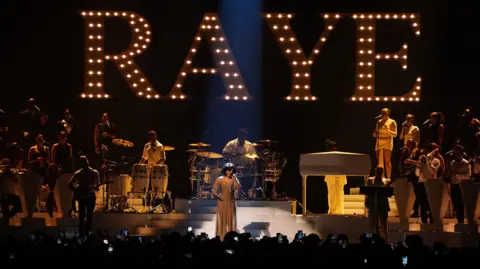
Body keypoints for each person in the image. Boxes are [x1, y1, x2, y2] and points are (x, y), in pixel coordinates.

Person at [68, 156, 101, 237]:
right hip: (83, 196)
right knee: (83, 216)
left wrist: (95, 187)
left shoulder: (94, 172)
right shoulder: (78, 173)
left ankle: (86, 234)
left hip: (89, 196)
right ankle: (83, 234)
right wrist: (77, 190)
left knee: (88, 216)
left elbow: (97, 187)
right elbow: (70, 185)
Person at [212, 163, 242, 239]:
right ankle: (222, 237)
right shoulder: (220, 179)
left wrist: (235, 179)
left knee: (231, 220)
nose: (231, 172)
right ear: (225, 170)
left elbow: (239, 188)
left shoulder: (233, 179)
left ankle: (231, 237)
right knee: (222, 220)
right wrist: (217, 196)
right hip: (222, 202)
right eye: (229, 170)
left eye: (232, 170)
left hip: (231, 202)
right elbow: (214, 190)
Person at [27, 134, 52, 218]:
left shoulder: (46, 149)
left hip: (44, 170)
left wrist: (44, 161)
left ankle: (44, 206)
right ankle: (35, 206)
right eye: (38, 139)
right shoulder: (32, 149)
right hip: (35, 170)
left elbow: (49, 160)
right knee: (36, 188)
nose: (40, 141)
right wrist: (36, 160)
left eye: (41, 139)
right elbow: (29, 161)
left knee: (45, 188)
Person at [139, 131, 167, 207]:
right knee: (146, 186)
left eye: (152, 136)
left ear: (155, 137)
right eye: (149, 137)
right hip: (148, 169)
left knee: (155, 188)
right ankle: (146, 204)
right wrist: (139, 166)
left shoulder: (160, 146)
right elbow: (144, 157)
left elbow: (163, 159)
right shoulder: (147, 145)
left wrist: (155, 167)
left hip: (157, 170)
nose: (150, 138)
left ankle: (155, 204)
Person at [415, 144, 441, 223]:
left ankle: (432, 222)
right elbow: (417, 174)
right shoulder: (422, 159)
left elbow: (432, 172)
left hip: (431, 184)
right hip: (422, 183)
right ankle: (424, 222)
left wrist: (428, 161)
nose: (427, 152)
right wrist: (419, 166)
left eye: (429, 150)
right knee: (423, 203)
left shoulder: (436, 161)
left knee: (430, 203)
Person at [51, 131, 74, 218]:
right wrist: (57, 168)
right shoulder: (55, 147)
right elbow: (53, 159)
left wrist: (72, 170)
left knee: (68, 192)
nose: (63, 138)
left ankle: (68, 210)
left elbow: (71, 158)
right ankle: (60, 210)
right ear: (59, 137)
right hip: (59, 170)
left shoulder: (69, 146)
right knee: (59, 191)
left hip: (67, 170)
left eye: (64, 136)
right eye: (62, 136)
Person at [365, 166, 391, 240]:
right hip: (372, 205)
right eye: (377, 170)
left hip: (382, 205)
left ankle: (385, 239)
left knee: (384, 225)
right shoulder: (370, 180)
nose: (378, 172)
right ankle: (370, 239)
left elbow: (388, 193)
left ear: (382, 172)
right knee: (371, 224)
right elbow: (367, 191)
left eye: (380, 171)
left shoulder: (387, 181)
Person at [448, 145, 471, 224]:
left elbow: (468, 175)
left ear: (461, 152)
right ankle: (458, 220)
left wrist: (456, 174)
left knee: (460, 203)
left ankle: (461, 221)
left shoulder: (465, 163)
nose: (455, 153)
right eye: (454, 151)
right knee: (454, 202)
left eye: (457, 151)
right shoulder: (452, 162)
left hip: (461, 185)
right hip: (453, 184)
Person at [372, 108, 397, 179]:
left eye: (384, 113)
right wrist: (374, 133)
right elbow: (375, 133)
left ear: (387, 114)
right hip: (379, 142)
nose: (382, 115)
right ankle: (381, 177)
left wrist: (388, 130)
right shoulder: (379, 122)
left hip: (387, 142)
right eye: (382, 113)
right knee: (380, 162)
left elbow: (395, 134)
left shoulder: (392, 122)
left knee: (387, 160)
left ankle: (388, 178)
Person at [398, 139, 421, 217]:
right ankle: (404, 210)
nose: (407, 145)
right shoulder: (405, 152)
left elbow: (419, 163)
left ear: (412, 144)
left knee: (417, 193)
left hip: (415, 174)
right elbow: (401, 163)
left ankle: (416, 211)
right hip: (407, 174)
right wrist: (402, 172)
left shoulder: (417, 152)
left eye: (409, 143)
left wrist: (410, 161)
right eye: (407, 143)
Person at [324, 139, 346, 214]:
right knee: (332, 195)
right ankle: (332, 210)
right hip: (331, 177)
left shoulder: (340, 155)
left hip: (339, 177)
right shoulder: (327, 156)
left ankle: (340, 211)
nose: (334, 148)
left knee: (339, 194)